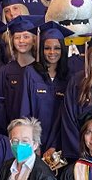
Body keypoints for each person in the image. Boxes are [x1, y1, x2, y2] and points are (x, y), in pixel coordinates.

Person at [19, 21, 74, 159]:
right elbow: (25, 111)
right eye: (47, 48)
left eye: (57, 48)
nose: (52, 52)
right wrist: (33, 143)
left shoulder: (69, 77)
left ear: (63, 50)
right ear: (41, 50)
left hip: (60, 143)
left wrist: (55, 145)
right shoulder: (31, 73)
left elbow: (68, 117)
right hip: (34, 143)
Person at [0, 15, 43, 133]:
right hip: (9, 131)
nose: (21, 41)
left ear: (34, 39)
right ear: (11, 41)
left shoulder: (40, 71)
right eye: (17, 37)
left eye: (26, 37)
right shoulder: (5, 71)